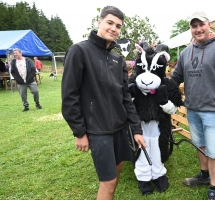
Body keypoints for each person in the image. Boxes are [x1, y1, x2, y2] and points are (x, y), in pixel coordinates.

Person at [61, 6, 146, 200]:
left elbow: (126, 97)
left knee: (115, 174)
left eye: (118, 26)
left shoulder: (117, 59)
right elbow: (69, 96)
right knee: (107, 181)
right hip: (98, 131)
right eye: (110, 22)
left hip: (120, 129)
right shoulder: (79, 51)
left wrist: (137, 129)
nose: (114, 28)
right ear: (99, 22)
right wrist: (80, 132)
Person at [171, 11, 215, 200]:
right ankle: (204, 175)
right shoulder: (186, 52)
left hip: (214, 112)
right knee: (200, 145)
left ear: (208, 24)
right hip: (192, 109)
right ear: (191, 29)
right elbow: (174, 79)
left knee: (214, 151)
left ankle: (214, 188)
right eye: (194, 26)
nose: (198, 29)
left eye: (201, 25)